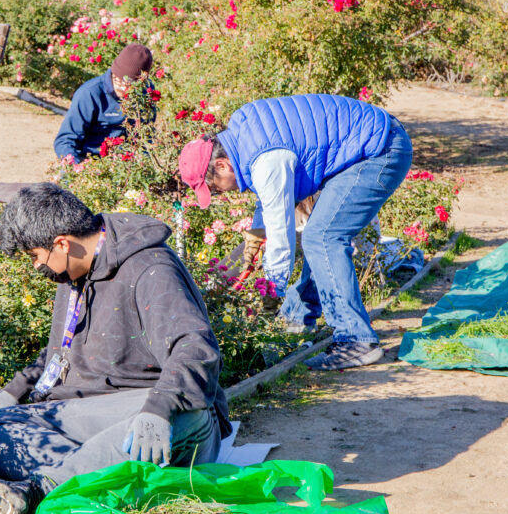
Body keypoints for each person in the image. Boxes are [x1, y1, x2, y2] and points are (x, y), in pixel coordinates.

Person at [0, 183, 229, 514]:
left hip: (146, 411)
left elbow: (195, 348)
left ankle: (41, 489)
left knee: (191, 415)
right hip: (90, 416)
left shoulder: (151, 268)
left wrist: (159, 410)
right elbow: (60, 351)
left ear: (62, 243)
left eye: (34, 257)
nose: (35, 267)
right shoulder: (73, 271)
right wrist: (10, 394)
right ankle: (106, 477)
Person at [177, 94, 413, 370]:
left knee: (322, 237)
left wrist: (271, 290)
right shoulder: (242, 136)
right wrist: (256, 233)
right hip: (366, 144)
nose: (219, 193)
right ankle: (297, 321)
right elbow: (267, 198)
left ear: (221, 165)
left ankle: (356, 340)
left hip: (380, 149)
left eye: (214, 187)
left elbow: (281, 233)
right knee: (319, 234)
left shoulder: (267, 160)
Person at [53, 44, 154, 163]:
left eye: (129, 84)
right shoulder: (89, 94)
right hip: (87, 159)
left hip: (124, 163)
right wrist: (76, 167)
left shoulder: (144, 94)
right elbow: (65, 140)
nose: (121, 87)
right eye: (117, 79)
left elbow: (145, 136)